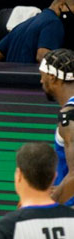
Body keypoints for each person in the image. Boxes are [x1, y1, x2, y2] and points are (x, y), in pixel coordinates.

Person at [0, 0, 73, 63]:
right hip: (33, 86)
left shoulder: (23, 24)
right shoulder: (54, 23)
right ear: (61, 6)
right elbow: (43, 57)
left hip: (11, 86)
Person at [39, 48, 74, 206]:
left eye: (42, 76)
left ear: (52, 77)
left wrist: (45, 206)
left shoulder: (69, 116)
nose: (41, 81)